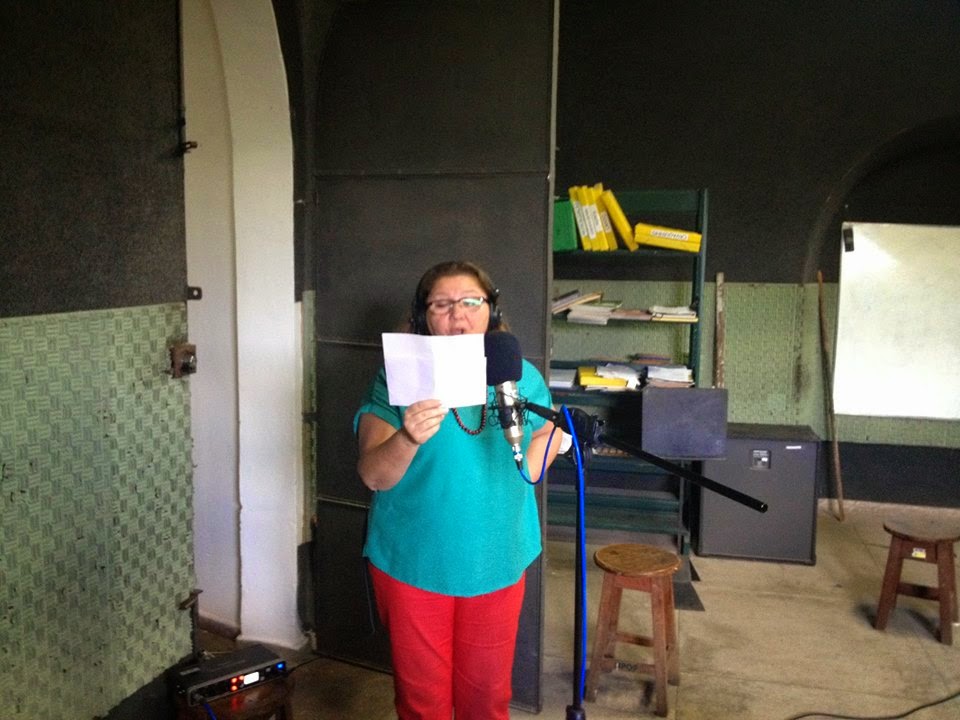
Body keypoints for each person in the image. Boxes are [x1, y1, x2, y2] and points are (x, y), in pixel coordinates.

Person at [354, 260, 560, 720]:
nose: (458, 316)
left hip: (497, 557)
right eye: (441, 305)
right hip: (414, 561)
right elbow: (374, 475)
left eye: (471, 302)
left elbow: (541, 444)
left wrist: (541, 457)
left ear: (491, 310)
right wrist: (407, 437)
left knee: (487, 698)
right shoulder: (397, 378)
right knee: (422, 703)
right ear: (422, 315)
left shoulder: (520, 375)